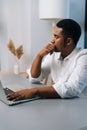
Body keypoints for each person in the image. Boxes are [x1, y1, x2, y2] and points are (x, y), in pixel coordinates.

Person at [7, 19, 87, 101]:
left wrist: (34, 91)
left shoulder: (83, 56)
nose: (52, 40)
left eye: (56, 37)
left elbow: (71, 89)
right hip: (61, 102)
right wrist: (39, 56)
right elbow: (35, 78)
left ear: (68, 41)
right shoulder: (55, 53)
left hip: (79, 105)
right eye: (53, 36)